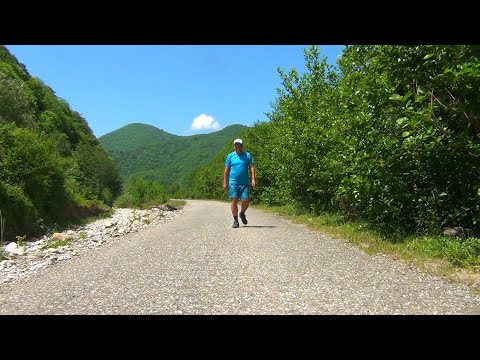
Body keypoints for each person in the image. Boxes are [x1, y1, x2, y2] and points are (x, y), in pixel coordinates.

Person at [223, 138, 256, 228]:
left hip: (244, 183)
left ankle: (242, 213)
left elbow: (251, 167)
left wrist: (253, 178)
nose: (237, 146)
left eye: (239, 144)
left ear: (242, 146)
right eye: (236, 144)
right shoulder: (230, 156)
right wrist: (224, 182)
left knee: (245, 200)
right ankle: (235, 220)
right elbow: (226, 169)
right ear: (234, 145)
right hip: (233, 182)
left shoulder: (247, 155)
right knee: (234, 200)